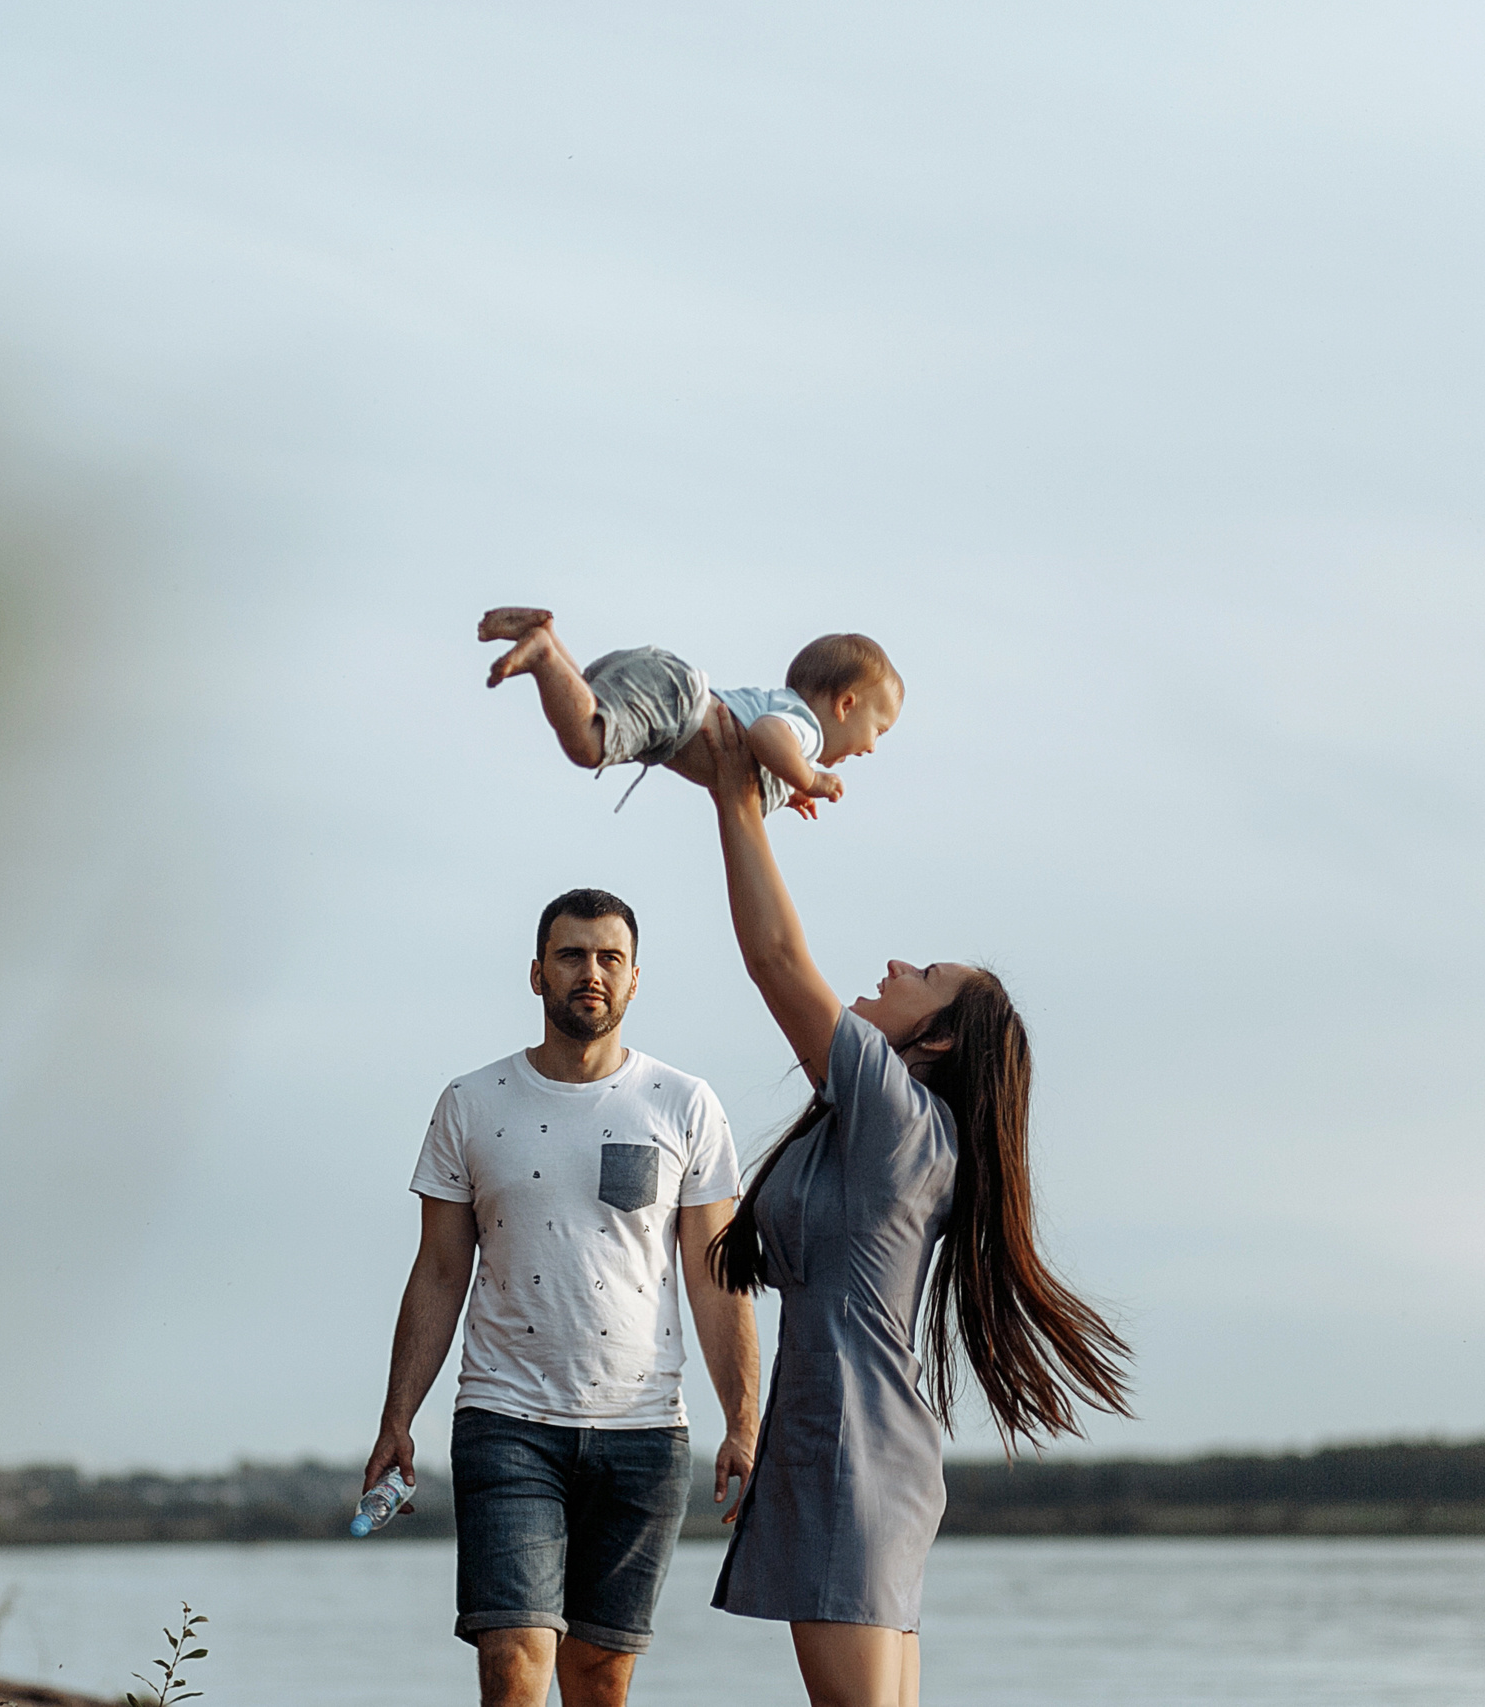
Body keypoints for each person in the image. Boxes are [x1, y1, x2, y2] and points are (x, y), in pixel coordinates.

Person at [687, 705, 1133, 1707]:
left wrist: (736, 799)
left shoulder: (898, 1116)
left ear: (937, 1041)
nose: (893, 967)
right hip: (853, 1441)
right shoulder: (892, 1130)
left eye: (923, 977)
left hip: (847, 1445)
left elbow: (775, 959)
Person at [364, 887, 760, 1707]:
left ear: (635, 978)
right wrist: (397, 1416)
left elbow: (714, 1276)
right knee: (514, 1662)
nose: (592, 972)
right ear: (537, 972)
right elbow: (439, 1270)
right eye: (572, 955)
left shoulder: (684, 1103)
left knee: (600, 1679)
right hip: (505, 1419)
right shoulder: (472, 1102)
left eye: (610, 957)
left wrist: (745, 1421)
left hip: (645, 1430)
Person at [477, 606, 901, 819]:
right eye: (878, 731)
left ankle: (547, 636)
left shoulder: (788, 720)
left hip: (667, 688)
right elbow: (766, 736)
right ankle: (544, 655)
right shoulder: (805, 730)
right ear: (846, 705)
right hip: (676, 701)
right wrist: (810, 778)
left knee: (584, 703)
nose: (872, 748)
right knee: (589, 743)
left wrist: (789, 791)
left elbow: (764, 751)